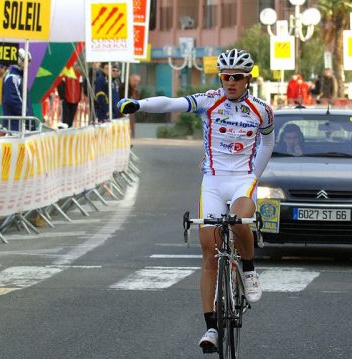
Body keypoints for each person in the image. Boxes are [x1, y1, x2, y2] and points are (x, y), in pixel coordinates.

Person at [117, 48, 273, 352]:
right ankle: (212, 327)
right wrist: (138, 104)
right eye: (225, 76)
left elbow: (268, 142)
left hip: (243, 179)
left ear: (247, 79)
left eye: (237, 77)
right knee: (208, 251)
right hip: (213, 181)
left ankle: (251, 269)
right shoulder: (209, 100)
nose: (230, 82)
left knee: (241, 222)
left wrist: (255, 173)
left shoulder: (262, 110)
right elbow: (171, 103)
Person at [2, 49, 34, 130]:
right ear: (20, 61)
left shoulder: (19, 77)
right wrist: (28, 118)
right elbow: (13, 101)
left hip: (21, 124)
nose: (29, 64)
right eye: (27, 61)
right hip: (16, 126)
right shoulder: (13, 78)